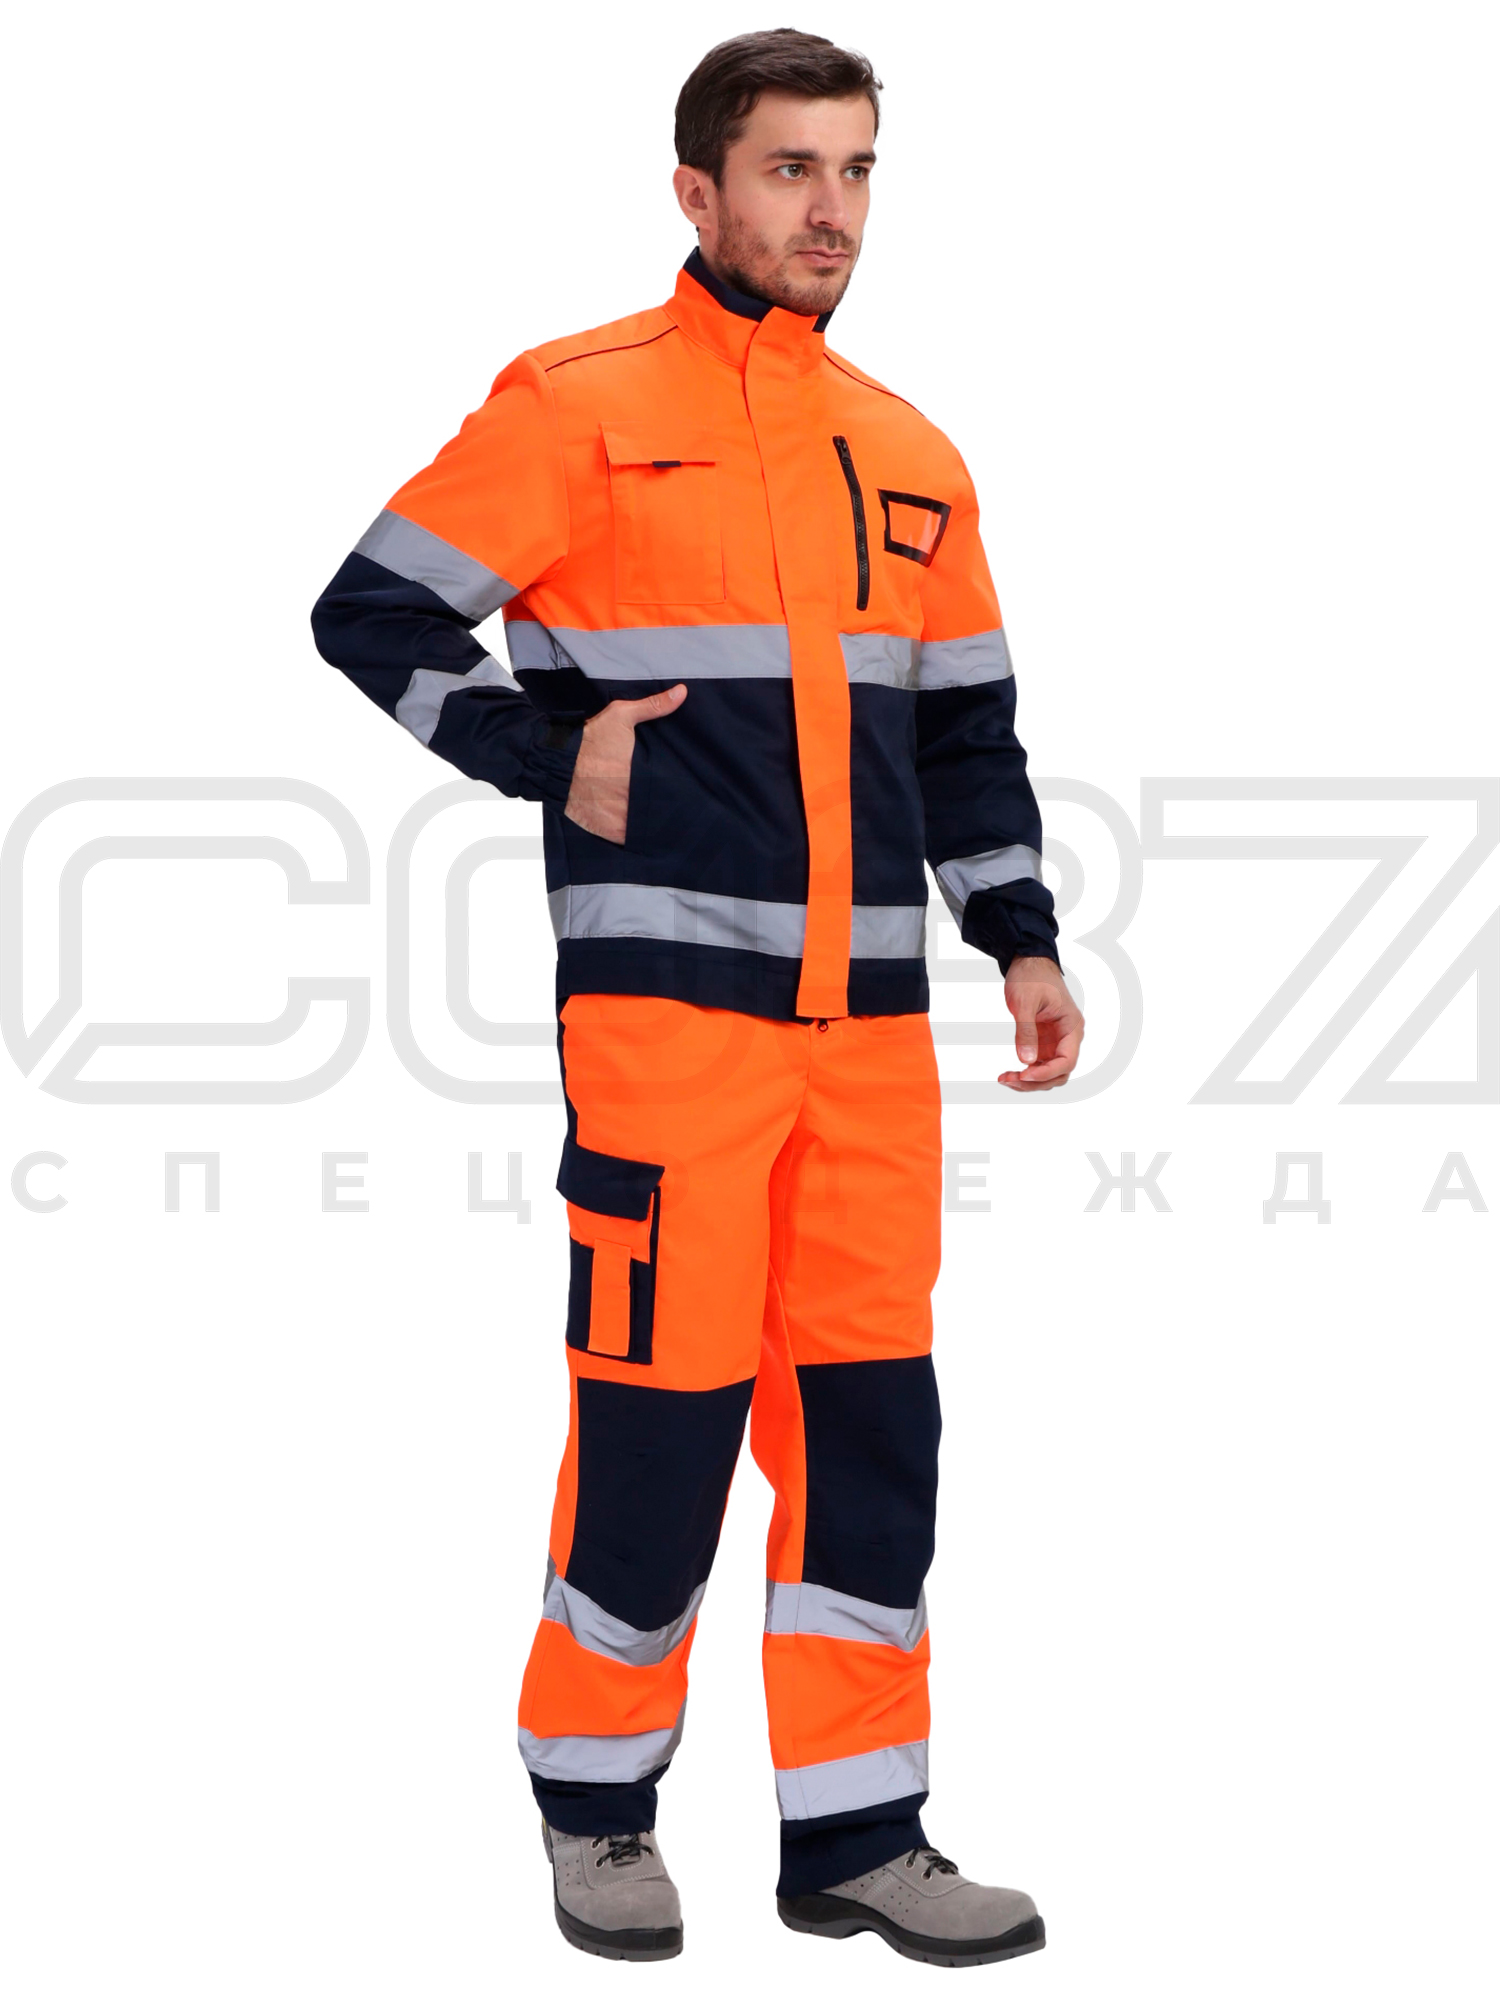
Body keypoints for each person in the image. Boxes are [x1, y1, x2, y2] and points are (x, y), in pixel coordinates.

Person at [311, 26, 1082, 1968]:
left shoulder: (911, 453)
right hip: (669, 1031)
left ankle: (858, 1833)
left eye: (858, 170)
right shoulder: (578, 404)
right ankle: (595, 1806)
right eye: (791, 169)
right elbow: (371, 609)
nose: (831, 210)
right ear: (698, 189)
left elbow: (967, 734)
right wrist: (537, 749)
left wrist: (1020, 935)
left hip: (872, 1043)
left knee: (870, 1428)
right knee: (658, 1419)